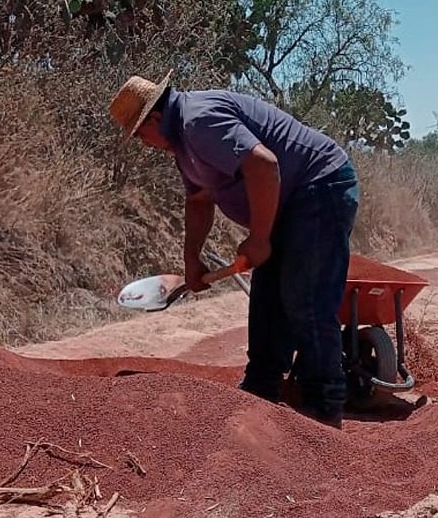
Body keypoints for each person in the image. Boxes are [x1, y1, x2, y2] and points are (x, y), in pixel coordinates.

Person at [109, 72, 359, 427]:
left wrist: (259, 238)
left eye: (140, 135)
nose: (144, 144)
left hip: (320, 184)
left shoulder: (199, 121)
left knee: (305, 297)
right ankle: (262, 387)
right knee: (268, 297)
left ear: (153, 118)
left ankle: (324, 406)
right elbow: (199, 199)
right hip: (289, 201)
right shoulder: (182, 142)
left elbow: (264, 165)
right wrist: (191, 259)